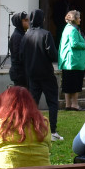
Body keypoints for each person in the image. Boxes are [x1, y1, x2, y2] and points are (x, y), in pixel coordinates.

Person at [22, 8, 62, 141]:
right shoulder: (46, 34)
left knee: (33, 102)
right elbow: (53, 55)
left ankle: (29, 128)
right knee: (52, 102)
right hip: (46, 72)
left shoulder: (26, 35)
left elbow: (21, 54)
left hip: (32, 73)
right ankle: (53, 131)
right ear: (42, 19)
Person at [58, 10, 85, 111]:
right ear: (75, 19)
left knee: (67, 84)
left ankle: (68, 104)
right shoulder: (73, 30)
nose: (80, 19)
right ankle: (75, 104)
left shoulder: (67, 28)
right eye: (79, 17)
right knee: (76, 83)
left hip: (69, 62)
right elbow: (74, 44)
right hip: (74, 61)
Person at [7, 11, 29, 87]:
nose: (28, 22)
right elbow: (18, 55)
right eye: (25, 20)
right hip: (19, 73)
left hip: (22, 72)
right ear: (20, 22)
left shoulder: (21, 34)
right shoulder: (17, 36)